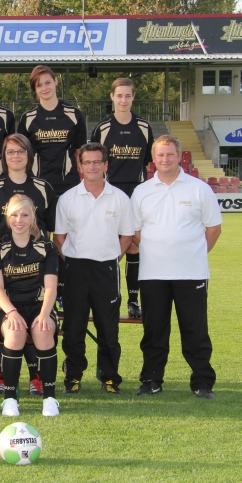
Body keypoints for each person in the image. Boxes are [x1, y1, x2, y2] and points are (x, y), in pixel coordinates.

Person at [131, 135, 222, 399]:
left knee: (195, 330)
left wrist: (193, 254)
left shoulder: (199, 189)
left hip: (191, 273)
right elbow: (135, 232)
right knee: (154, 331)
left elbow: (214, 229)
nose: (165, 159)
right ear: (153, 159)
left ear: (180, 156)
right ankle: (151, 380)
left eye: (170, 154)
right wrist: (159, 249)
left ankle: (202, 382)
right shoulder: (142, 192)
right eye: (160, 155)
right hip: (153, 273)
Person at [0, 133, 57, 396]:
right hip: (2, 269)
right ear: (4, 156)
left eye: (21, 151)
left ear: (29, 156)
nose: (16, 156)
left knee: (35, 321)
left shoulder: (43, 188)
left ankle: (37, 377)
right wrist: (2, 250)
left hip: (34, 269)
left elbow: (50, 227)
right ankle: (1, 377)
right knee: (5, 323)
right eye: (10, 151)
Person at [54, 142, 133, 395]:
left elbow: (127, 235)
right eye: (87, 162)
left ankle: (110, 378)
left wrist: (112, 258)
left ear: (105, 164)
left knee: (108, 329)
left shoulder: (119, 198)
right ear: (80, 166)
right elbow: (59, 238)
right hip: (76, 269)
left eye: (97, 161)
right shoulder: (67, 199)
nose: (92, 166)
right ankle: (73, 377)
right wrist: (73, 261)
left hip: (106, 270)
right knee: (74, 329)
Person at [0, 194, 60, 417]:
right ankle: (10, 399)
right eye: (14, 215)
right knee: (15, 332)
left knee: (43, 330)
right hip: (9, 307)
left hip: (40, 305)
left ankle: (50, 398)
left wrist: (45, 314)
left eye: (25, 215)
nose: (19, 220)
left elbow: (51, 287)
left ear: (32, 217)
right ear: (8, 217)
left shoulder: (46, 246)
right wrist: (11, 312)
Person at [91, 78, 154, 319]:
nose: (124, 100)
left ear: (133, 97)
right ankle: (105, 297)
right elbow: (95, 162)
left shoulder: (144, 127)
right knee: (108, 247)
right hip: (109, 195)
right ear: (112, 97)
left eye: (128, 95)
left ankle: (133, 300)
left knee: (135, 245)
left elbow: (147, 161)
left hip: (137, 194)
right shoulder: (103, 128)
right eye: (119, 95)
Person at [17, 65, 87, 197]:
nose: (44, 88)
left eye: (48, 82)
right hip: (37, 183)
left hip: (68, 182)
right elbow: (21, 154)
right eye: (39, 85)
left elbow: (80, 151)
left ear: (56, 81)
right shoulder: (27, 118)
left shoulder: (74, 114)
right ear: (34, 89)